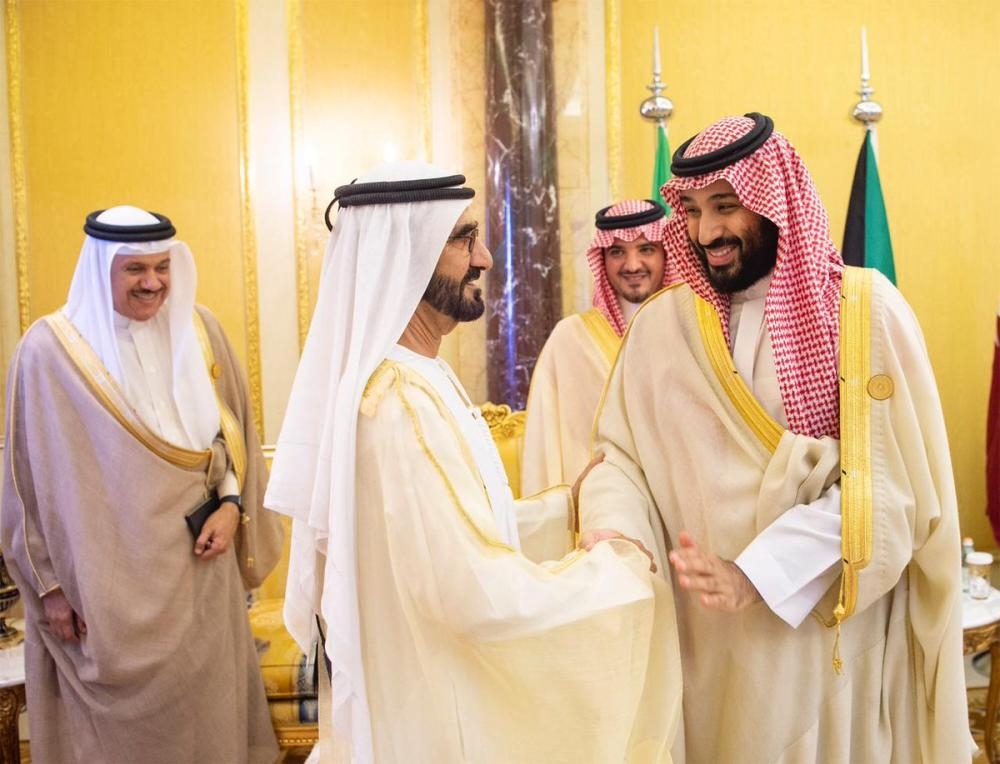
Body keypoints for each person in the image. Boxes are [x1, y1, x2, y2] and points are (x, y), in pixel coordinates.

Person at [579, 114, 969, 762]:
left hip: (820, 655)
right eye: (695, 210)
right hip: (705, 651)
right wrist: (616, 537)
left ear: (774, 201)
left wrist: (756, 574)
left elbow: (894, 492)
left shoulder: (867, 316)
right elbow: (620, 457)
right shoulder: (662, 328)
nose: (706, 232)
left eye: (725, 207)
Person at [265, 162, 681, 763]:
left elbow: (462, 530)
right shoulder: (398, 402)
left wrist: (567, 507)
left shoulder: (418, 375)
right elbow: (474, 593)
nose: (484, 258)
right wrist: (614, 573)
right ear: (406, 253)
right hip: (434, 711)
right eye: (464, 239)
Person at [1, 206, 283, 763]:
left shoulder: (200, 331)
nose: (153, 282)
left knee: (208, 725)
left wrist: (231, 506)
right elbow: (23, 481)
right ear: (100, 268)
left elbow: (230, 437)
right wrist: (50, 588)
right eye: (135, 269)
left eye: (162, 266)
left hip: (200, 570)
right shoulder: (49, 352)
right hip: (103, 589)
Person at [521, 199, 671, 496]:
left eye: (646, 249)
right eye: (617, 252)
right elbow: (544, 445)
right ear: (601, 259)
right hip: (602, 509)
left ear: (667, 256)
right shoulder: (570, 339)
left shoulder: (688, 332)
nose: (632, 265)